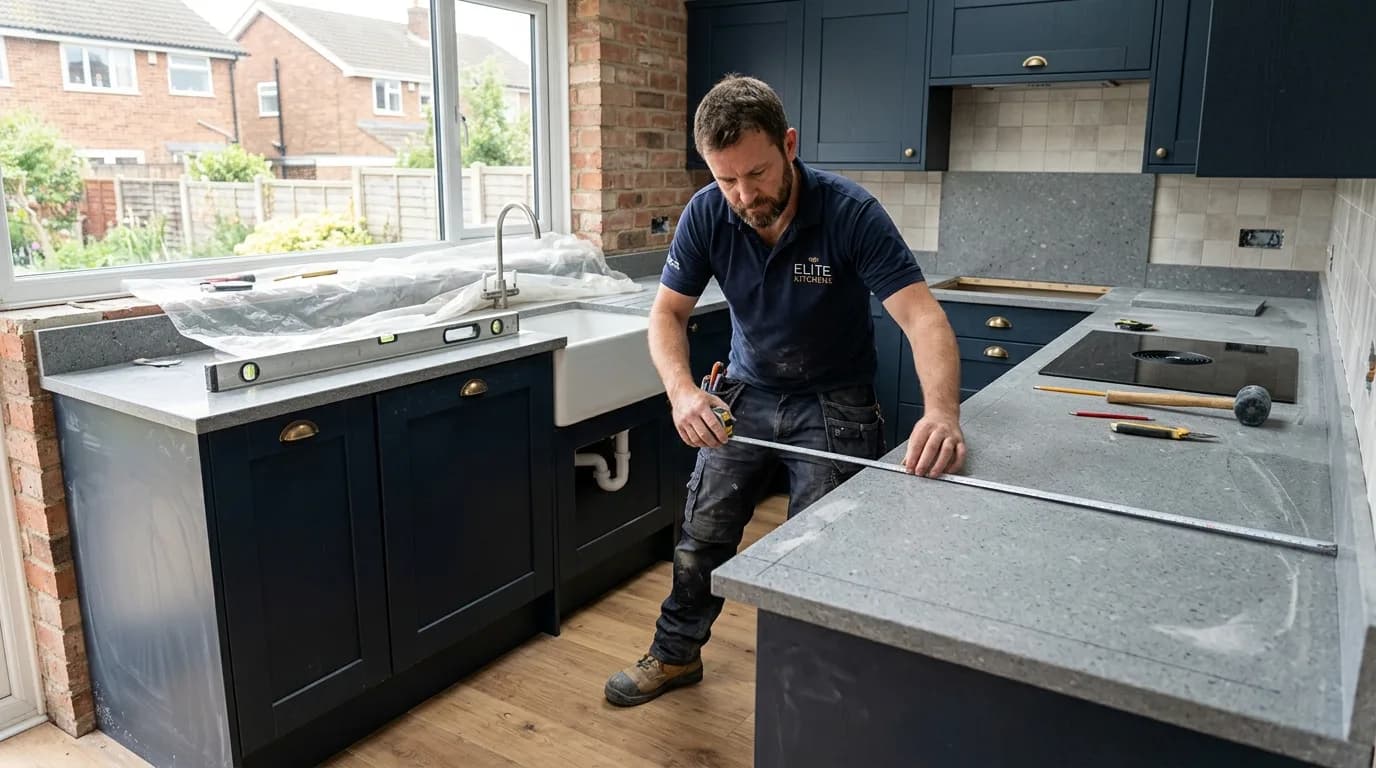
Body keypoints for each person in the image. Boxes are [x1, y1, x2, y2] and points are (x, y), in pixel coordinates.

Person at [603, 75, 967, 707]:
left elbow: (922, 318)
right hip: (745, 393)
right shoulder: (707, 213)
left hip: (836, 401)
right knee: (702, 535)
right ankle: (676, 654)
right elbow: (666, 314)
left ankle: (816, 687)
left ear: (790, 145)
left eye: (757, 173)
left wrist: (942, 412)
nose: (745, 195)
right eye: (726, 179)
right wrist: (683, 392)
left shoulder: (850, 213)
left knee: (820, 551)